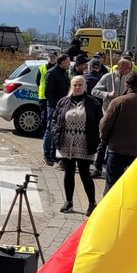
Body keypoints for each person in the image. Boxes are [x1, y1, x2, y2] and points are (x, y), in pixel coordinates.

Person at [99, 74, 137, 188]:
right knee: (135, 187)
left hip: (117, 150)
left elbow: (105, 124)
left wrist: (105, 140)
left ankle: (112, 206)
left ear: (126, 84)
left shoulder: (118, 102)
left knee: (112, 187)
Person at [53, 75, 101, 215]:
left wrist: (97, 140)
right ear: (71, 86)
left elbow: (100, 122)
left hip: (85, 144)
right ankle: (68, 202)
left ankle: (92, 203)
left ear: (85, 86)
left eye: (80, 85)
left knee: (85, 173)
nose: (77, 87)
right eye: (75, 85)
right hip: (66, 143)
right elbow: (55, 119)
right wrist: (56, 133)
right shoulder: (63, 102)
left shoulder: (93, 103)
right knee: (68, 173)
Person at [42, 53, 71, 166]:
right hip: (53, 107)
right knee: (50, 130)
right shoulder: (52, 73)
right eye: (68, 62)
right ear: (62, 62)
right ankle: (47, 155)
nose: (69, 64)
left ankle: (54, 155)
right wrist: (56, 106)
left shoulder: (64, 73)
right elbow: (48, 92)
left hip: (63, 106)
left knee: (58, 131)